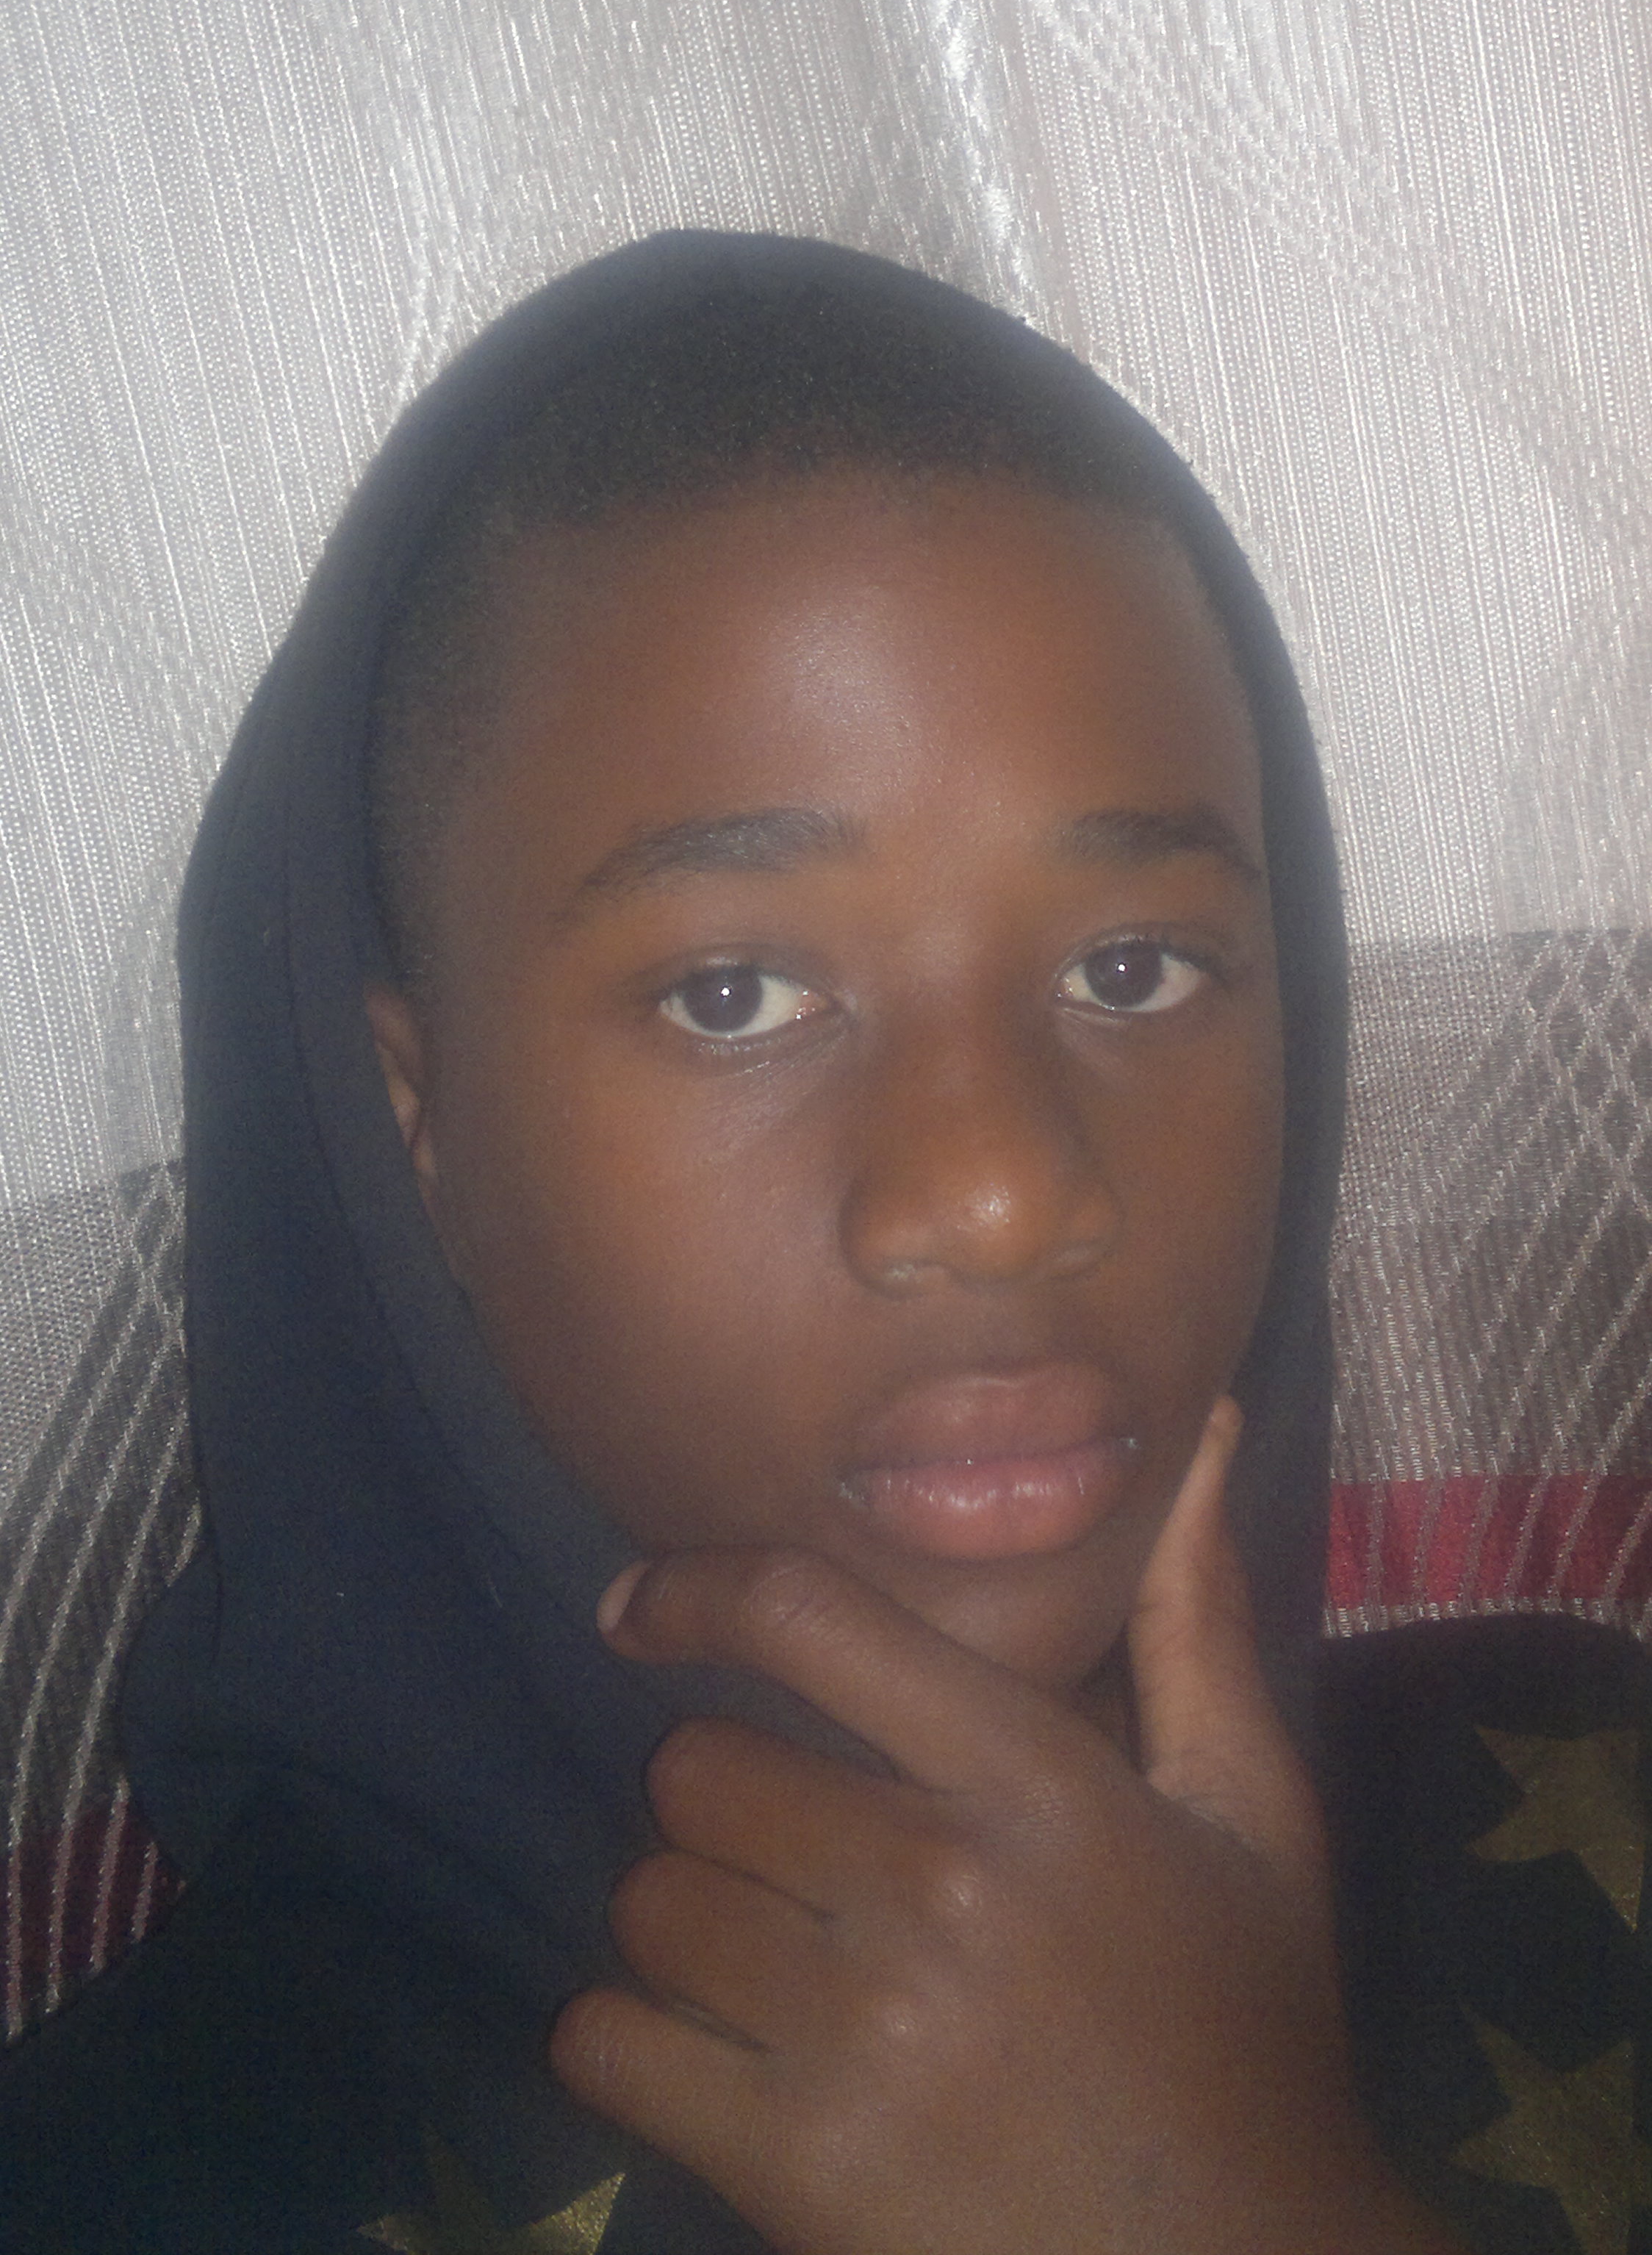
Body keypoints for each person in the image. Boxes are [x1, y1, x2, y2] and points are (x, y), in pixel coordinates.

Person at [1, 235, 1465, 2251]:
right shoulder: (118, 2190)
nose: (1001, 1190)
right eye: (734, 997)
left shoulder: (1587, 1808)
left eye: (1134, 968)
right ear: (412, 1130)